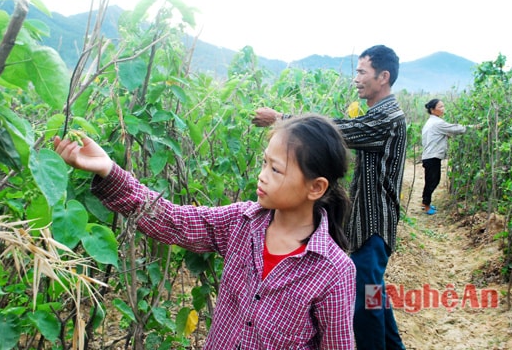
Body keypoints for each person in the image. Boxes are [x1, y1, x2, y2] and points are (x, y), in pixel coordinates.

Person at [54, 114, 356, 349]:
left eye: (275, 170)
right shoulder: (241, 223)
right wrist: (108, 169)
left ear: (315, 187)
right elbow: (173, 220)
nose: (262, 176)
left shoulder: (333, 272)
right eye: (264, 163)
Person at [252, 44, 407, 349]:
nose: (356, 79)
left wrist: (281, 119)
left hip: (373, 228)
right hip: (367, 225)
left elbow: (341, 132)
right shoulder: (379, 114)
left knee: (365, 306)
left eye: (362, 72)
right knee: (374, 297)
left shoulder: (388, 117)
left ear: (383, 77)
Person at [421, 98, 479, 215]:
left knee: (431, 180)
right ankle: (426, 205)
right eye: (440, 107)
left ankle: (426, 203)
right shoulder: (437, 123)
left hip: (429, 156)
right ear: (432, 110)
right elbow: (456, 129)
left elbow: (442, 134)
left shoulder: (431, 122)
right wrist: (474, 127)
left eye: (443, 106)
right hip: (432, 157)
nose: (443, 109)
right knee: (433, 181)